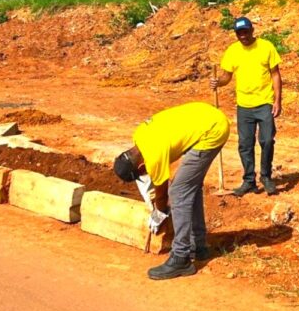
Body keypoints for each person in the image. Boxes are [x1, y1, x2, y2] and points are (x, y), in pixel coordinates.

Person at [113, 101, 230, 280]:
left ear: (142, 165)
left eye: (143, 173)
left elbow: (163, 193)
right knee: (189, 185)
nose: (146, 174)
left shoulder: (153, 156)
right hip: (204, 117)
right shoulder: (139, 136)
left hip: (212, 131)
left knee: (179, 190)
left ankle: (181, 257)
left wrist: (159, 214)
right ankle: (198, 246)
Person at [210, 16, 282, 197]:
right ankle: (249, 181)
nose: (243, 36)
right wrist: (218, 82)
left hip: (264, 102)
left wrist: (278, 100)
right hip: (244, 105)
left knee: (266, 140)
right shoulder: (233, 51)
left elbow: (275, 75)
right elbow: (227, 76)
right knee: (245, 144)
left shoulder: (266, 47)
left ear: (252, 30)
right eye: (239, 33)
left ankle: (266, 176)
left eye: (245, 31)